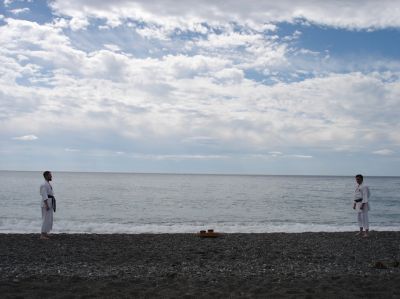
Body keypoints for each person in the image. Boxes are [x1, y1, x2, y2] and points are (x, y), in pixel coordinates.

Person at [40, 171, 56, 239]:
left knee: (49, 219)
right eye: (50, 175)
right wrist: (46, 204)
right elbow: (44, 195)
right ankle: (42, 235)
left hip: (50, 202)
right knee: (45, 219)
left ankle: (46, 232)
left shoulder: (47, 184)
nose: (51, 176)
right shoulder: (44, 184)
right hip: (46, 203)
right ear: (46, 176)